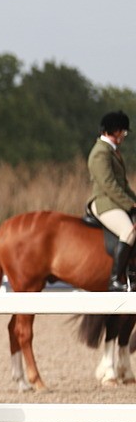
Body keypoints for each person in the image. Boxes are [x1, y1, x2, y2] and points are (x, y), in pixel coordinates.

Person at [88, 110, 136, 291]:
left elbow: (124, 185)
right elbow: (108, 185)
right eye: (123, 131)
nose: (124, 135)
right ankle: (115, 280)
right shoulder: (100, 152)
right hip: (104, 202)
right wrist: (130, 204)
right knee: (129, 231)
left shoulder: (112, 151)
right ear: (115, 130)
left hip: (115, 200)